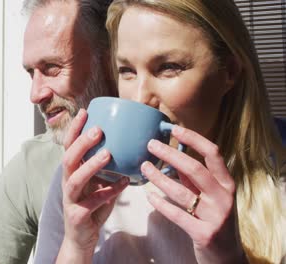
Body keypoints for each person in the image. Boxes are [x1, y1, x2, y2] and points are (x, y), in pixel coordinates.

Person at [34, 0, 286, 263]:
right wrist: (76, 245)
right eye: (127, 71)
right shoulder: (85, 184)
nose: (140, 98)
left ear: (229, 72)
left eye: (168, 67)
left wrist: (227, 257)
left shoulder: (277, 187)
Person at [0, 0, 118, 263]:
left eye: (52, 68)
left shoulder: (183, 153)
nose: (35, 94)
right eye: (31, 73)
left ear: (110, 61)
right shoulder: (33, 167)